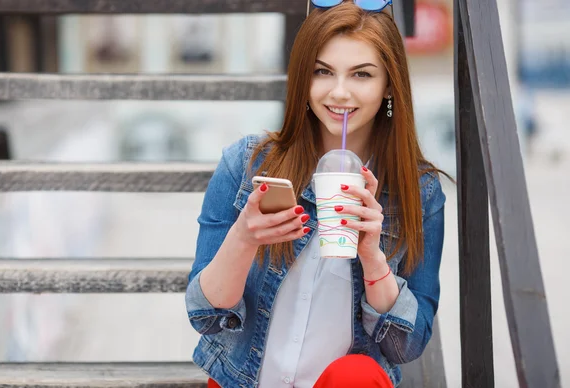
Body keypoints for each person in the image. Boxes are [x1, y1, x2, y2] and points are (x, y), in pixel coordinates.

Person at [185, 1, 447, 386]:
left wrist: (373, 259)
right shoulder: (246, 165)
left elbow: (407, 346)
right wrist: (245, 238)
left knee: (355, 375)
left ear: (389, 83)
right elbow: (205, 317)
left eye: (361, 74)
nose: (339, 93)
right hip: (245, 380)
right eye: (322, 71)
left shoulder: (419, 193)